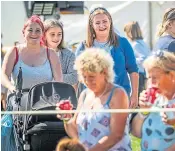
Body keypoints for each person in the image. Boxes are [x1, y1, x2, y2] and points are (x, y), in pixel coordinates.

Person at [56, 48, 131, 151]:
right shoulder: (84, 95)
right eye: (84, 76)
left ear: (104, 72)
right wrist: (66, 118)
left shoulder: (117, 94)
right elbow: (76, 133)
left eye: (91, 76)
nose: (87, 81)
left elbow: (116, 135)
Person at [75, 6, 139, 108]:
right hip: (92, 100)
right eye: (97, 23)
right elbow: (77, 76)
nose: (102, 25)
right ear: (92, 25)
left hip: (120, 96)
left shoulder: (123, 43)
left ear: (110, 22)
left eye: (104, 21)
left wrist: (135, 95)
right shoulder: (84, 46)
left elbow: (133, 70)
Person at [1, 15, 63, 95]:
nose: (34, 34)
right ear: (23, 33)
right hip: (19, 103)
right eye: (30, 30)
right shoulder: (14, 52)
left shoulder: (51, 54)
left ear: (42, 34)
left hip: (45, 104)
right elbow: (3, 76)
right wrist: (11, 87)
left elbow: (59, 82)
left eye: (38, 30)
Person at [130, 50, 175, 151]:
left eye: (155, 77)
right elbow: (136, 133)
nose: (151, 83)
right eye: (148, 78)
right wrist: (143, 112)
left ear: (172, 76)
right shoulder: (156, 99)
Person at [43, 19, 78, 88]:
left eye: (59, 34)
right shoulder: (37, 54)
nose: (56, 38)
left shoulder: (69, 55)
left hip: (62, 96)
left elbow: (74, 78)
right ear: (44, 35)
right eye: (52, 34)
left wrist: (51, 76)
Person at [124, 21, 151, 95]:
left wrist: (129, 61)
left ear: (129, 32)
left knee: (137, 97)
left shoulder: (136, 44)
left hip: (138, 74)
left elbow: (143, 58)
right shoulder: (143, 42)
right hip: (141, 74)